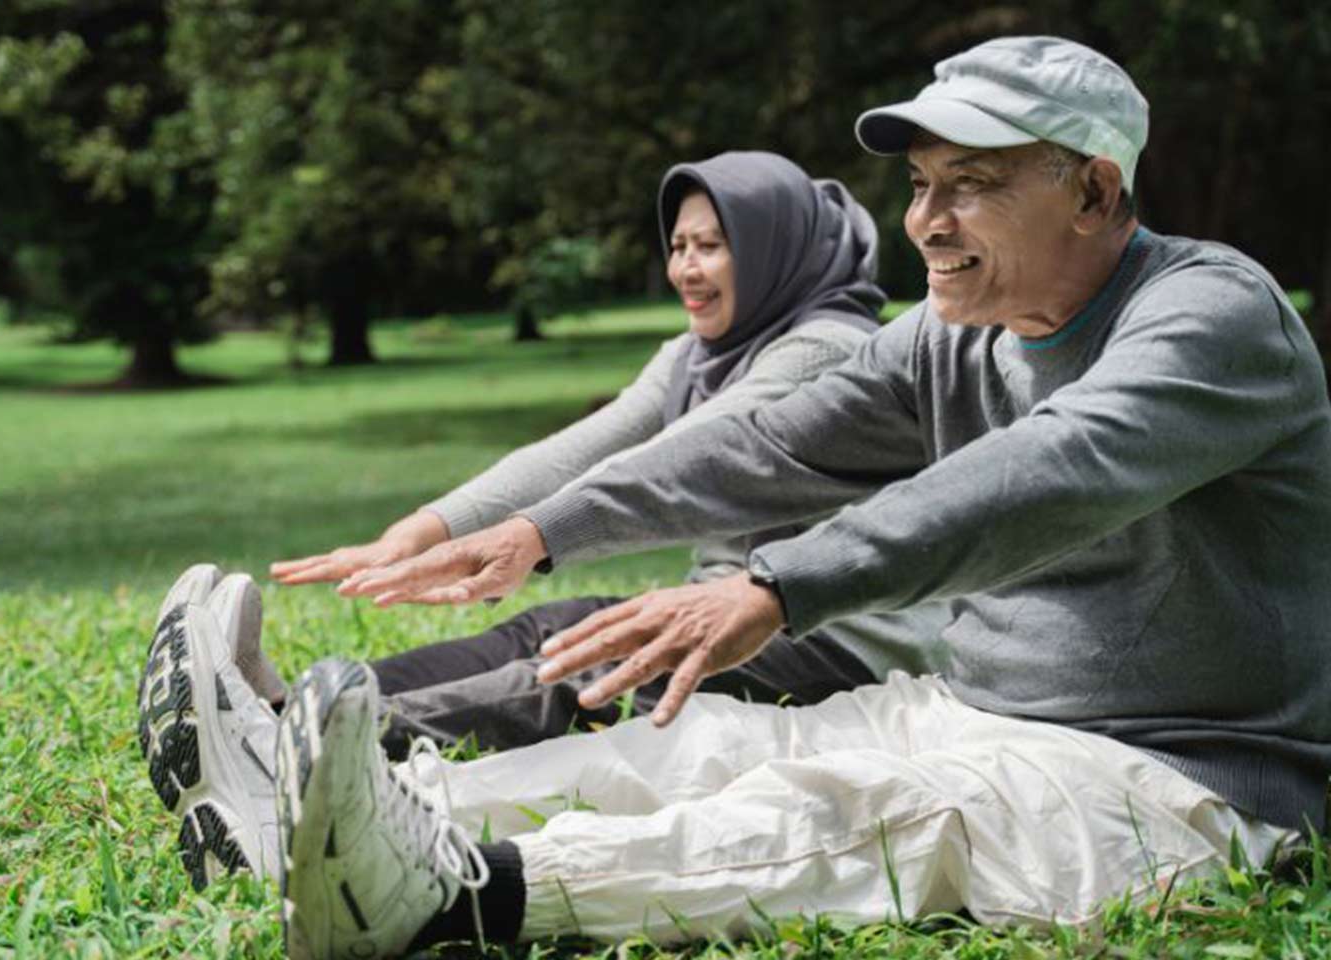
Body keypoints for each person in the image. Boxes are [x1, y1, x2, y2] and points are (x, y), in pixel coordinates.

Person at [271, 36, 1331, 959]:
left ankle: (451, 898)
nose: (926, 221)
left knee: (856, 818)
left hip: (1188, 777)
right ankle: (333, 820)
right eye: (919, 184)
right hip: (976, 709)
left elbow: (1049, 470)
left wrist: (776, 587)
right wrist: (543, 528)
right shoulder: (945, 337)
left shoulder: (1211, 314)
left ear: (1094, 192)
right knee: (699, 749)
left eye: (971, 183)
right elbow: (767, 441)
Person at [138, 152, 946, 891]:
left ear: (775, 248)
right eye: (677, 246)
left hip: (825, 638)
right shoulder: (700, 352)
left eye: (711, 245)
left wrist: (529, 536)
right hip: (713, 611)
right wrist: (427, 529)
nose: (685, 270)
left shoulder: (824, 347)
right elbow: (580, 448)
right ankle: (285, 715)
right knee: (542, 631)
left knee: (574, 679)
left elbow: (683, 463)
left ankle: (298, 752)